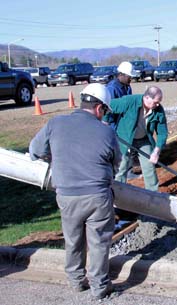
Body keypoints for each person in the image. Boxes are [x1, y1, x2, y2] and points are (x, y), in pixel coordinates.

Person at [29, 83, 121, 299]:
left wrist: (55, 156)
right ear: (99, 109)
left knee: (73, 238)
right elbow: (116, 163)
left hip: (67, 195)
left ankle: (76, 281)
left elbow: (35, 150)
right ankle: (99, 287)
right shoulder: (106, 131)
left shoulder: (55, 123)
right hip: (98, 196)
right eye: (104, 111)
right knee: (98, 241)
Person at [108, 86, 168, 192]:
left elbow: (162, 132)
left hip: (144, 140)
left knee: (149, 166)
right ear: (147, 97)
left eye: (159, 102)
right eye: (156, 102)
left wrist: (156, 151)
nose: (158, 104)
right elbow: (108, 106)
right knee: (121, 167)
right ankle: (117, 195)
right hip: (124, 140)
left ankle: (153, 194)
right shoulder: (129, 101)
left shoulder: (158, 110)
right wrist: (105, 123)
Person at [105, 61, 134, 128]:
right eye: (129, 76)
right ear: (121, 75)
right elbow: (109, 111)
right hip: (114, 125)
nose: (131, 79)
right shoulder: (111, 88)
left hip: (124, 123)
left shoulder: (128, 87)